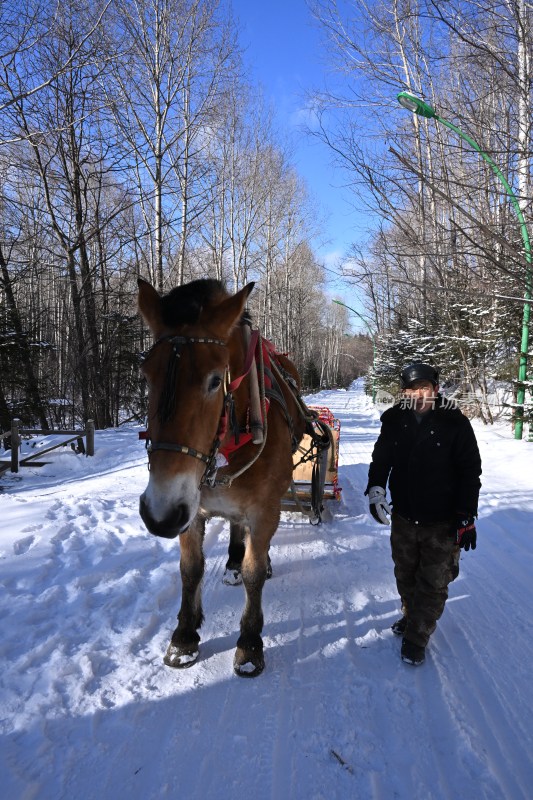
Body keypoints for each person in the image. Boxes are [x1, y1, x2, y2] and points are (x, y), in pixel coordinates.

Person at [365, 362, 482, 666]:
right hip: (404, 516)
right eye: (412, 389)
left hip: (441, 521)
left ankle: (417, 636)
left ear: (435, 389)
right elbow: (381, 459)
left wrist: (466, 515)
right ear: (403, 392)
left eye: (424, 388)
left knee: (433, 582)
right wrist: (376, 488)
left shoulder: (454, 422)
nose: (418, 395)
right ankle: (411, 614)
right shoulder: (394, 419)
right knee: (405, 574)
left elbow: (471, 472)